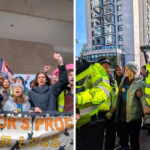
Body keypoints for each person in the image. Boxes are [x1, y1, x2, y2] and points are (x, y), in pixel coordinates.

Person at [76, 58, 118, 150]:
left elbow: (115, 95)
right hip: (98, 113)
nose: (106, 68)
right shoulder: (92, 76)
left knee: (110, 135)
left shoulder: (112, 79)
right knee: (98, 137)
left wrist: (112, 110)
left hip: (110, 112)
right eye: (104, 66)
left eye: (108, 66)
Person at [115, 62, 144, 150]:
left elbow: (144, 100)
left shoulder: (139, 83)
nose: (125, 71)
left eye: (127, 69)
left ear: (132, 71)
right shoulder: (123, 80)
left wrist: (140, 95)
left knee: (134, 140)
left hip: (134, 117)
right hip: (123, 115)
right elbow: (119, 95)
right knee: (123, 139)